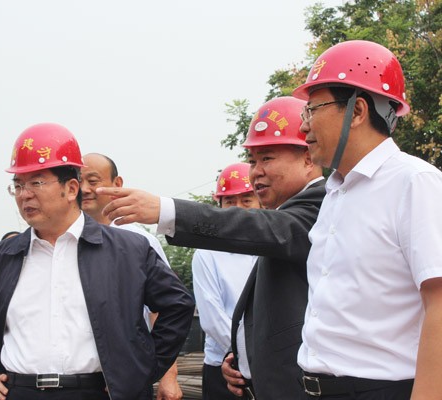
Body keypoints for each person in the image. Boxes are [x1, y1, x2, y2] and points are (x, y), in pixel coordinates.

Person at [97, 96, 325, 399]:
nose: (256, 172)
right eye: (253, 161)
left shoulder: (319, 206)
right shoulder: (280, 219)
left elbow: (265, 228)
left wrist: (166, 211)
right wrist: (243, 357)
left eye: (267, 158)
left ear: (308, 158)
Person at [0, 123, 195, 400]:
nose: (24, 194)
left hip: (100, 392)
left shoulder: (128, 251)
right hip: (19, 391)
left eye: (37, 182)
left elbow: (177, 305)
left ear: (71, 188)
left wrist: (141, 369)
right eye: (18, 185)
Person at [292, 40, 442, 399]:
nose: (303, 127)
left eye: (312, 110)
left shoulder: (414, 183)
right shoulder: (335, 193)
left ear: (357, 110)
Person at [80, 152, 183, 400]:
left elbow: (162, 309)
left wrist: (168, 376)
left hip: (127, 375)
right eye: (78, 181)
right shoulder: (62, 241)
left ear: (117, 184)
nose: (84, 189)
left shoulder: (140, 242)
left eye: (93, 181)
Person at [191, 162, 260, 400]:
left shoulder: (276, 247)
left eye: (246, 200)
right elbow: (213, 320)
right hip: (225, 365)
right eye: (230, 201)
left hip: (269, 365)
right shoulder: (207, 253)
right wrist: (246, 355)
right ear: (219, 205)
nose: (238, 209)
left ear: (260, 201)